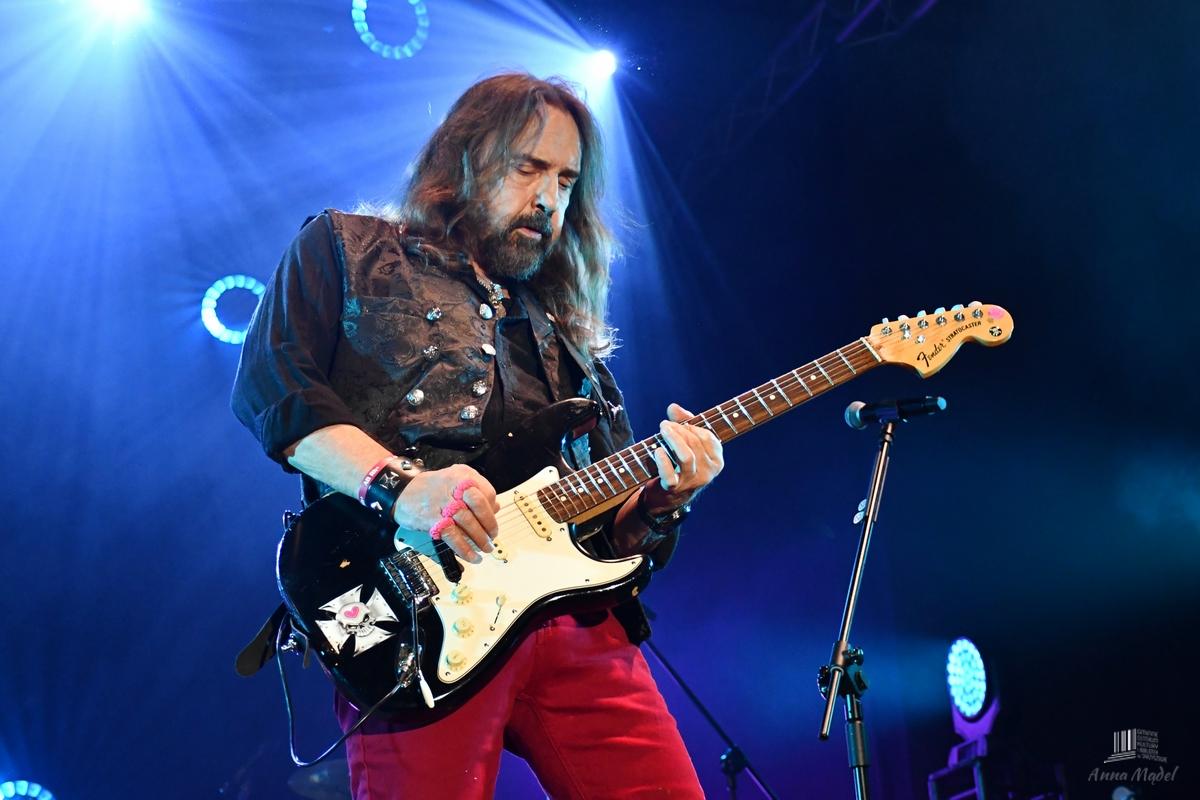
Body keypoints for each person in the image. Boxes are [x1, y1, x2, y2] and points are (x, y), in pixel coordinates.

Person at [231, 73, 724, 798]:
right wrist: (401, 487)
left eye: (566, 180)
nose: (549, 198)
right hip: (401, 608)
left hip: (578, 624)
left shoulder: (566, 336)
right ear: (464, 159)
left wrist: (663, 500)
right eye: (529, 168)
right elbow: (272, 391)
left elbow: (617, 535)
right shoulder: (347, 247)